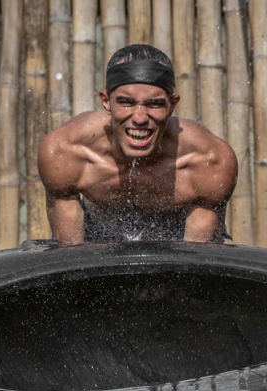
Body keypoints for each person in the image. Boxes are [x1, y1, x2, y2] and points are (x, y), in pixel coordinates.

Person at [37, 44, 238, 244]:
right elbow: (71, 256)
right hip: (97, 233)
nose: (140, 118)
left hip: (177, 239)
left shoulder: (209, 161)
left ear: (172, 105)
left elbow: (196, 263)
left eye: (154, 104)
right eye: (126, 102)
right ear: (106, 101)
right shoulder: (65, 152)